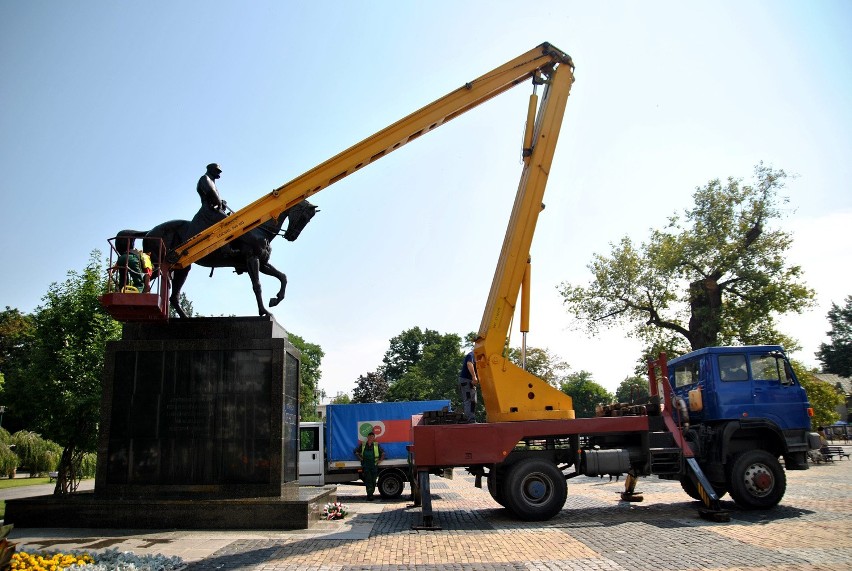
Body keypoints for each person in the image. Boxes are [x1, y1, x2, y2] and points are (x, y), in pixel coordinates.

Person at [189, 163, 230, 238]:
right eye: (217, 170)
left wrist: (221, 202)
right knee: (230, 222)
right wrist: (220, 203)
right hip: (209, 210)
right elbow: (212, 193)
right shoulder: (205, 178)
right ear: (210, 170)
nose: (219, 173)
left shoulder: (211, 180)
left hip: (213, 209)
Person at [354, 432, 385, 500]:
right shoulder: (363, 444)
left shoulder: (376, 445)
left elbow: (383, 453)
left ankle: (371, 493)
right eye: (370, 436)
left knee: (373, 480)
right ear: (367, 437)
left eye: (372, 437)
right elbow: (356, 452)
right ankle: (369, 495)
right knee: (368, 480)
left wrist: (380, 460)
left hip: (374, 465)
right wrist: (361, 459)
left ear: (374, 438)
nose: (371, 438)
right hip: (366, 465)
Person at [458, 350, 479, 422]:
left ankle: (471, 418)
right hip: (466, 380)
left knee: (473, 400)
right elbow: (469, 364)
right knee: (469, 399)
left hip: (469, 381)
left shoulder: (477, 357)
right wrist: (474, 377)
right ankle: (470, 419)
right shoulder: (471, 355)